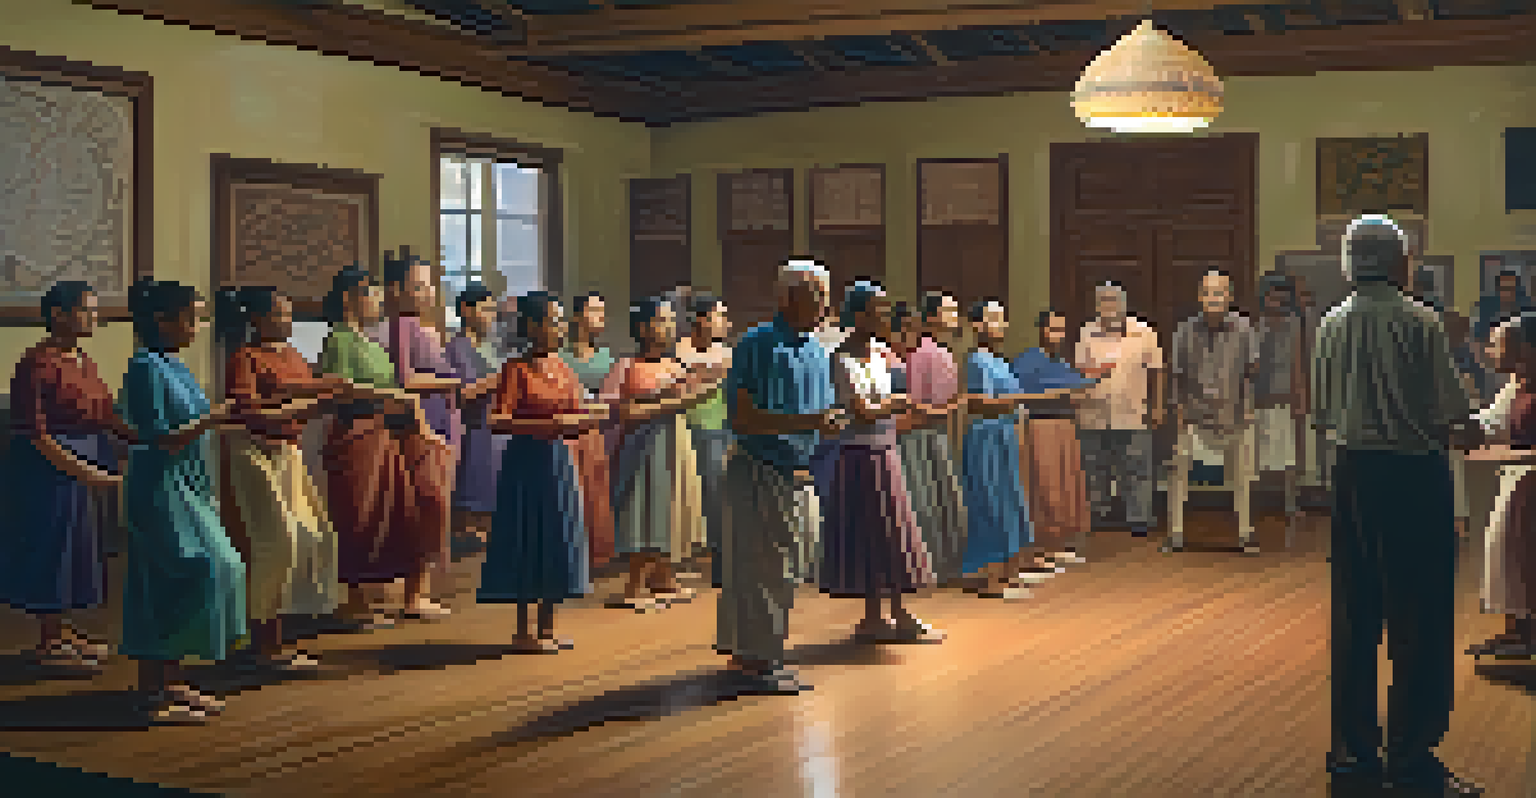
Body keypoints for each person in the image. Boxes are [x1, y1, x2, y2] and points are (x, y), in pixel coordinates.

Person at [1314, 215, 1481, 795]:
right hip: (1414, 475)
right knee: (1421, 621)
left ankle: (1353, 755)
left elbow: (1323, 410)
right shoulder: (1421, 321)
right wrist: (1477, 426)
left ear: (1349, 263)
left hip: (1352, 475)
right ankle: (1412, 761)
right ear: (1399, 262)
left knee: (1355, 618)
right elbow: (1453, 413)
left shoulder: (1330, 324)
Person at [718, 259, 848, 695]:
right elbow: (743, 417)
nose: (826, 305)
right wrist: (811, 421)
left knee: (788, 569)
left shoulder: (816, 350)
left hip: (798, 471)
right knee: (760, 569)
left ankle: (758, 652)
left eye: (827, 295)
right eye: (818, 295)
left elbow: (822, 415)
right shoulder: (757, 344)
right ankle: (758, 660)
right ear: (789, 297)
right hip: (758, 467)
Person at [118, 278, 246, 723]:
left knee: (215, 565)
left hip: (187, 481)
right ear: (163, 320)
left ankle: (171, 679)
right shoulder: (144, 368)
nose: (196, 325)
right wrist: (215, 417)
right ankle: (151, 690)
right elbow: (159, 438)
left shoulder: (175, 365)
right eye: (190, 316)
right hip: (158, 485)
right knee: (174, 574)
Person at [0, 282, 132, 671]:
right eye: (86, 310)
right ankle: (48, 642)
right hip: (47, 470)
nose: (95, 317)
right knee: (52, 549)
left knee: (79, 550)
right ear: (58, 314)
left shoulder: (83, 361)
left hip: (85, 462)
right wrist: (89, 474)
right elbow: (36, 434)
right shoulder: (36, 363)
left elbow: (107, 413)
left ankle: (62, 632)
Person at [480, 292, 608, 653]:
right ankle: (523, 631)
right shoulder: (515, 369)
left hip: (558, 461)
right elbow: (496, 419)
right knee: (527, 539)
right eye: (553, 321)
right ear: (533, 326)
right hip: (526, 462)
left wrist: (585, 419)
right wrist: (549, 422)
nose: (560, 328)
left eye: (561, 320)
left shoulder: (563, 368)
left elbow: (576, 413)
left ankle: (548, 627)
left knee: (556, 539)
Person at [317, 269, 440, 629]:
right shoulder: (339, 340)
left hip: (383, 433)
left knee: (389, 516)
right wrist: (388, 395)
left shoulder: (371, 343)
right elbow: (337, 388)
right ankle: (354, 601)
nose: (377, 302)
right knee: (356, 515)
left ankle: (381, 597)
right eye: (369, 295)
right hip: (354, 432)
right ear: (349, 300)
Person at [821, 281, 940, 643]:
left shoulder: (878, 354)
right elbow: (860, 411)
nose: (886, 317)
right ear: (859, 316)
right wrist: (898, 401)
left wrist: (891, 404)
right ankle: (880, 616)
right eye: (879, 311)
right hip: (859, 456)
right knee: (874, 537)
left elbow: (877, 406)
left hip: (884, 449)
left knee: (891, 535)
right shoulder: (840, 358)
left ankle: (893, 614)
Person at [604, 296, 715, 609]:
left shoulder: (673, 364)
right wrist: (675, 401)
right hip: (645, 444)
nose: (668, 327)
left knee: (672, 505)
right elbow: (626, 413)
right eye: (661, 321)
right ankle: (634, 585)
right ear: (642, 327)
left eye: (669, 321)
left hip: (675, 440)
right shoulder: (628, 366)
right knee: (644, 509)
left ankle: (663, 576)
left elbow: (690, 392)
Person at [382, 254, 476, 619]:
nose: (428, 292)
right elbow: (403, 382)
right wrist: (450, 382)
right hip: (423, 429)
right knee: (424, 507)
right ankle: (413, 594)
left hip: (438, 425)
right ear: (397, 290)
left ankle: (418, 591)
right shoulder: (402, 327)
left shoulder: (425, 330)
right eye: (418, 286)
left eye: (429, 284)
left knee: (433, 508)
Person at [961, 299, 1069, 597]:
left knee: (1011, 502)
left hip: (1006, 433)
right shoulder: (976, 361)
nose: (1001, 325)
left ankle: (1011, 571)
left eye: (1002, 318)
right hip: (987, 436)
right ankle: (990, 578)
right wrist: (1028, 399)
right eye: (993, 319)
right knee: (990, 503)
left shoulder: (999, 360)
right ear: (977, 325)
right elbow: (978, 402)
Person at [1166, 270, 1260, 555]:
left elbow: (1250, 375)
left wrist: (1248, 409)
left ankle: (1245, 533)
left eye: (1219, 292)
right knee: (1178, 473)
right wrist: (1179, 414)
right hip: (1194, 414)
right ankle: (1176, 534)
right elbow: (1176, 376)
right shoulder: (1184, 331)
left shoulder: (1244, 330)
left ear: (1229, 296)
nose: (1213, 298)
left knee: (1243, 475)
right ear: (1199, 297)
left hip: (1233, 413)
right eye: (1208, 292)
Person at [1465, 315, 1536, 656]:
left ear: (1523, 348)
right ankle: (1518, 632)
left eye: (1498, 343)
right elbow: (1490, 422)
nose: (1491, 351)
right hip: (1519, 480)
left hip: (1529, 480)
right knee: (1508, 556)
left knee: (1528, 558)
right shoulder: (1516, 384)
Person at [1075, 282, 1165, 537]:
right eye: (1103, 301)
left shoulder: (1144, 331)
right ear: (1096, 306)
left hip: (1133, 412)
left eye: (1113, 300)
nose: (1108, 306)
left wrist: (1157, 406)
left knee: (1137, 468)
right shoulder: (1086, 333)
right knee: (1094, 468)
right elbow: (1080, 371)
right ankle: (1098, 515)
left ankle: (1139, 518)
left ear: (1124, 304)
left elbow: (1158, 371)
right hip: (1094, 412)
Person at [1012, 310, 1095, 563]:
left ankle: (1059, 544)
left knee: (1065, 483)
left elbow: (1078, 386)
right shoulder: (1027, 360)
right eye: (1052, 330)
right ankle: (1041, 547)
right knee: (1044, 485)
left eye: (1061, 330)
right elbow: (1022, 392)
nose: (1057, 335)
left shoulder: (1061, 362)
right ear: (1041, 330)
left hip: (1065, 425)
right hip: (1041, 425)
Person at [899, 291, 969, 584]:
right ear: (931, 317)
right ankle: (926, 564)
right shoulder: (922, 353)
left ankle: (946, 563)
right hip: (920, 434)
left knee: (944, 498)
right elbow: (914, 402)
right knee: (925, 499)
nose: (954, 316)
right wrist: (951, 406)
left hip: (938, 431)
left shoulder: (944, 351)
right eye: (947, 311)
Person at [445, 284, 508, 559]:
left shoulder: (492, 348)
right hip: (473, 430)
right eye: (485, 309)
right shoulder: (455, 349)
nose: (491, 316)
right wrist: (496, 381)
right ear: (466, 311)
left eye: (493, 310)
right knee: (473, 492)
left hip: (497, 428)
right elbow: (456, 393)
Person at [676, 293, 734, 589]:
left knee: (720, 497)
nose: (726, 323)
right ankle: (681, 563)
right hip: (688, 429)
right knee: (693, 498)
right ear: (701, 320)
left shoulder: (727, 353)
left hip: (721, 430)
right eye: (719, 316)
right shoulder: (679, 351)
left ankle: (722, 562)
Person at [562, 291, 617, 573]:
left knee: (597, 493)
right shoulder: (561, 357)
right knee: (571, 492)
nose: (600, 317)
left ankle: (597, 556)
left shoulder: (607, 357)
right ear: (576, 316)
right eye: (594, 310)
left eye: (602, 311)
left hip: (601, 430)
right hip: (568, 433)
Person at [1252, 274, 1309, 543]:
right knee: (1257, 453)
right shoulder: (1255, 325)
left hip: (1285, 396)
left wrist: (1300, 397)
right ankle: (1256, 501)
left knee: (1289, 455)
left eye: (1281, 295)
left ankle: (1290, 504)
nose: (1277, 300)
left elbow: (1298, 362)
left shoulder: (1294, 324)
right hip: (1259, 397)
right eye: (1272, 295)